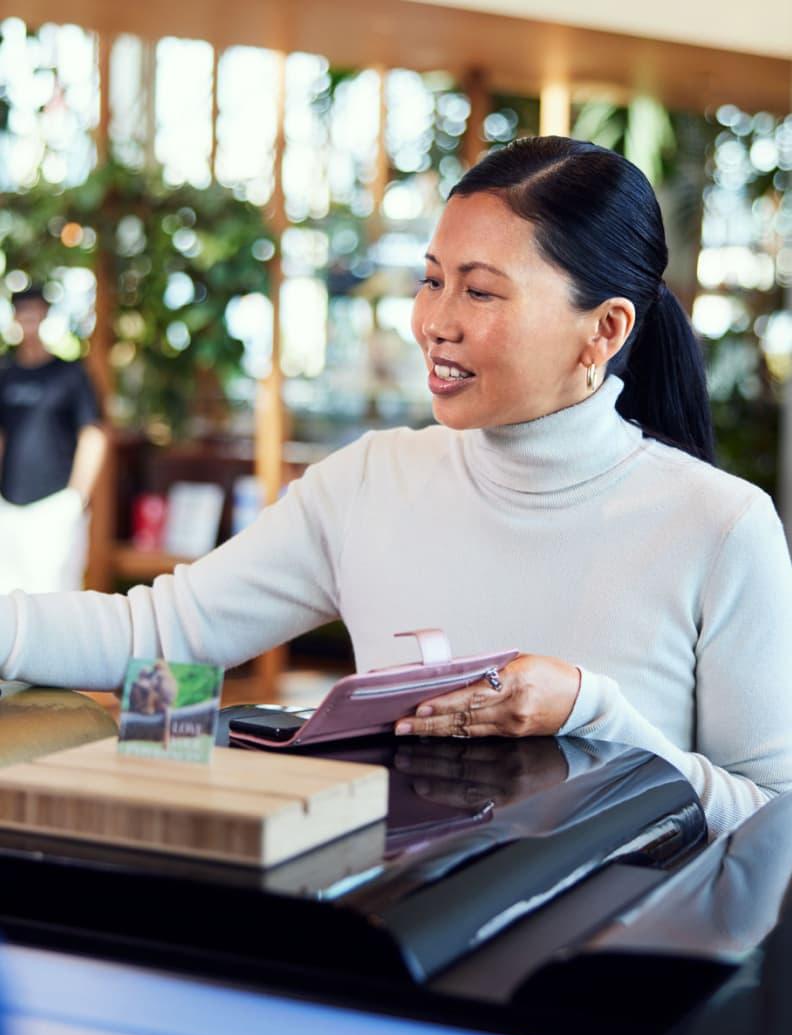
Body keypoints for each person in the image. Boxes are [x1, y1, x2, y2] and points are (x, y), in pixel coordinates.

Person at [1, 137, 791, 836]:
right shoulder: (370, 481)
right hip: (391, 950)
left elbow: (771, 826)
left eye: (480, 291)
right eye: (432, 279)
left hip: (614, 987)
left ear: (606, 329)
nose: (433, 322)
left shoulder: (719, 526)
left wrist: (591, 711)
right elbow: (160, 638)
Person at [0, 286, 107, 592]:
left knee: (55, 595)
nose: (29, 320)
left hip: (54, 503)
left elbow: (93, 434)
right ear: (15, 318)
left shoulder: (70, 374)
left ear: (45, 315)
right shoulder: (5, 374)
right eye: (23, 313)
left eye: (35, 312)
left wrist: (76, 498)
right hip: (8, 504)